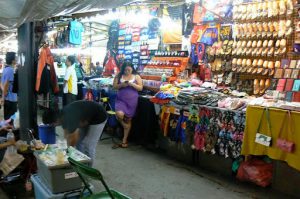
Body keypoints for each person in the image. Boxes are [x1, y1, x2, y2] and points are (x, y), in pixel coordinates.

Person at [59, 100, 107, 165]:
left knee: (89, 145)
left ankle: (88, 170)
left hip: (99, 117)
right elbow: (66, 134)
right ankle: (81, 162)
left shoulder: (69, 117)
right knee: (79, 142)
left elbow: (73, 138)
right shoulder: (62, 116)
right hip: (87, 117)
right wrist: (66, 146)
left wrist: (68, 151)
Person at [112, 62, 143, 148]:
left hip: (132, 101)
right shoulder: (119, 75)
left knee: (128, 120)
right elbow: (114, 86)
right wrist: (122, 85)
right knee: (119, 114)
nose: (127, 71)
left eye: (128, 70)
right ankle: (123, 125)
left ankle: (124, 140)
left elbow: (140, 88)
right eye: (125, 70)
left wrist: (132, 84)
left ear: (132, 68)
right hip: (121, 100)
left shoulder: (136, 76)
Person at [1, 52, 18, 120]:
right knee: (10, 121)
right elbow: (6, 85)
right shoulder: (10, 70)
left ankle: (7, 130)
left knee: (7, 120)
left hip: (7, 99)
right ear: (13, 60)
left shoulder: (5, 69)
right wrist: (3, 96)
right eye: (15, 58)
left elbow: (1, 84)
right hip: (11, 100)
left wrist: (3, 97)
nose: (16, 59)